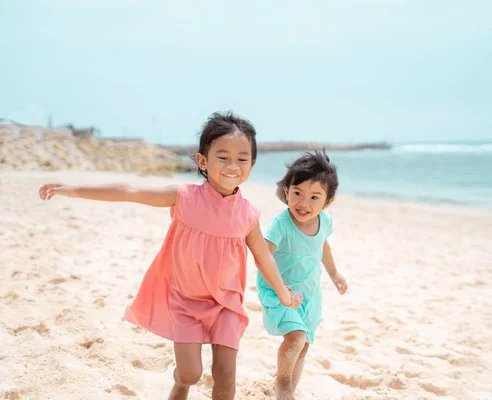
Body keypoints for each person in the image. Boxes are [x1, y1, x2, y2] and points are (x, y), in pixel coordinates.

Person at [38, 112, 303, 400]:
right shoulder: (184, 197)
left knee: (226, 375)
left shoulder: (247, 214)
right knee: (190, 373)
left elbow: (264, 259)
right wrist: (74, 190)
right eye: (222, 157)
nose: (232, 165)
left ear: (251, 164)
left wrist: (284, 294)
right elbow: (131, 191)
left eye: (242, 159)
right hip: (185, 302)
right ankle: (180, 384)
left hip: (227, 304)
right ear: (203, 161)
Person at [256, 150, 348, 399]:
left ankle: (288, 392)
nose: (303, 203)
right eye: (297, 193)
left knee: (304, 345)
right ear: (286, 192)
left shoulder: (325, 221)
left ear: (327, 202)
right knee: (296, 339)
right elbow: (263, 257)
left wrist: (334, 273)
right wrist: (281, 289)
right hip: (278, 289)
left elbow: (322, 247)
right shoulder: (281, 224)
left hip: (308, 292)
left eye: (314, 197)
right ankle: (283, 385)